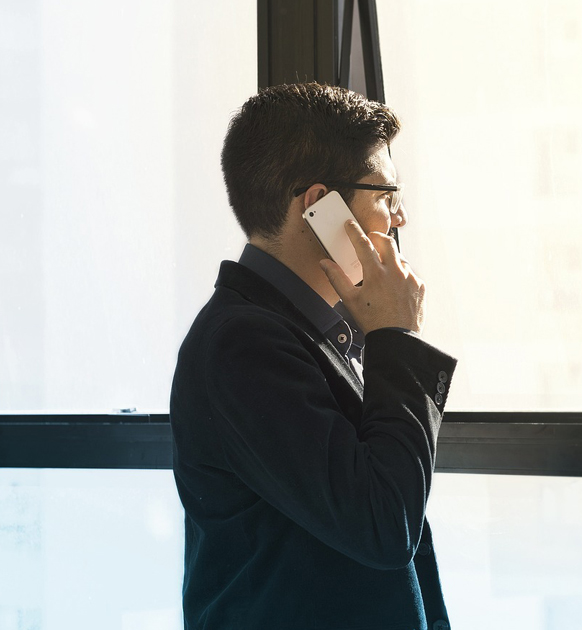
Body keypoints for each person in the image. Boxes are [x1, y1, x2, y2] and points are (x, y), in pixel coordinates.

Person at [169, 82, 456, 630]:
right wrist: (395, 334)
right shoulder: (243, 345)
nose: (399, 218)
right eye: (386, 194)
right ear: (319, 205)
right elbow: (383, 524)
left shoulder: (303, 332)